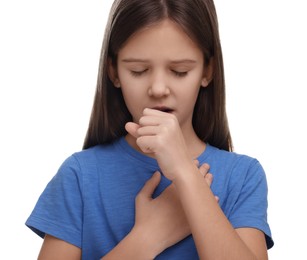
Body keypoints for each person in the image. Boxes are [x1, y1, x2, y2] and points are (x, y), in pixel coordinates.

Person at [26, 0, 274, 259]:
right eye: (138, 70)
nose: (158, 88)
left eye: (179, 71)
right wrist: (150, 236)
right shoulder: (79, 175)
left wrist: (186, 173)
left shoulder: (243, 176)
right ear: (114, 72)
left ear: (207, 71)